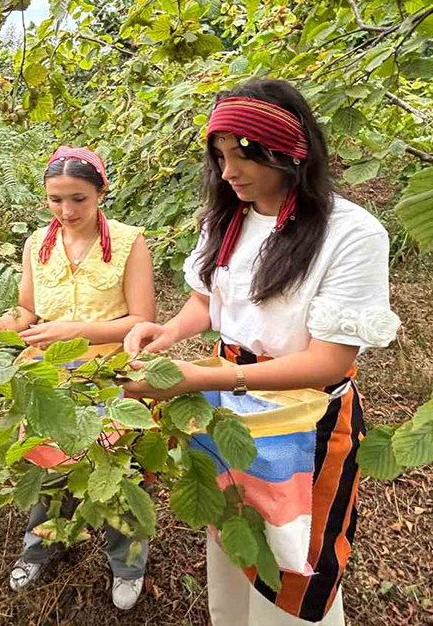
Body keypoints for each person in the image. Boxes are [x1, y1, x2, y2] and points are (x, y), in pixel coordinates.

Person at [122, 78, 400, 625]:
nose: (229, 171)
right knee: (235, 529)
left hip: (303, 414)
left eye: (245, 154)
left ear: (290, 150)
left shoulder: (350, 234)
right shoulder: (227, 217)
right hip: (228, 404)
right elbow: (207, 300)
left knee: (294, 554)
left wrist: (200, 379)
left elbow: (329, 361)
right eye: (220, 155)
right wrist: (167, 332)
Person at [0, 146, 156, 610]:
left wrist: (76, 330)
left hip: (109, 374)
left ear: (101, 192)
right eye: (56, 200)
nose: (67, 211)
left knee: (115, 471)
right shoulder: (38, 244)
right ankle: (39, 547)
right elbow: (27, 311)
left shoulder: (129, 242)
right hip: (50, 374)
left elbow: (142, 320)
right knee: (46, 467)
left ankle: (128, 563)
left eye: (78, 199)